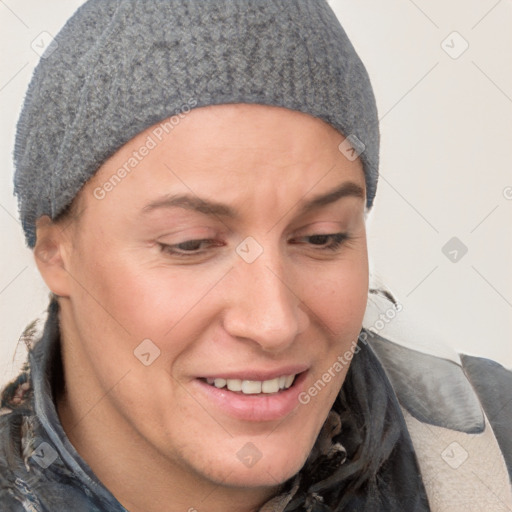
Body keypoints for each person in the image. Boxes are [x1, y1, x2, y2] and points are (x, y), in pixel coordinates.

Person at [1, 1, 511, 511]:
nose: (273, 323)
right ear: (55, 253)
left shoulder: (491, 452)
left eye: (321, 237)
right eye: (190, 244)